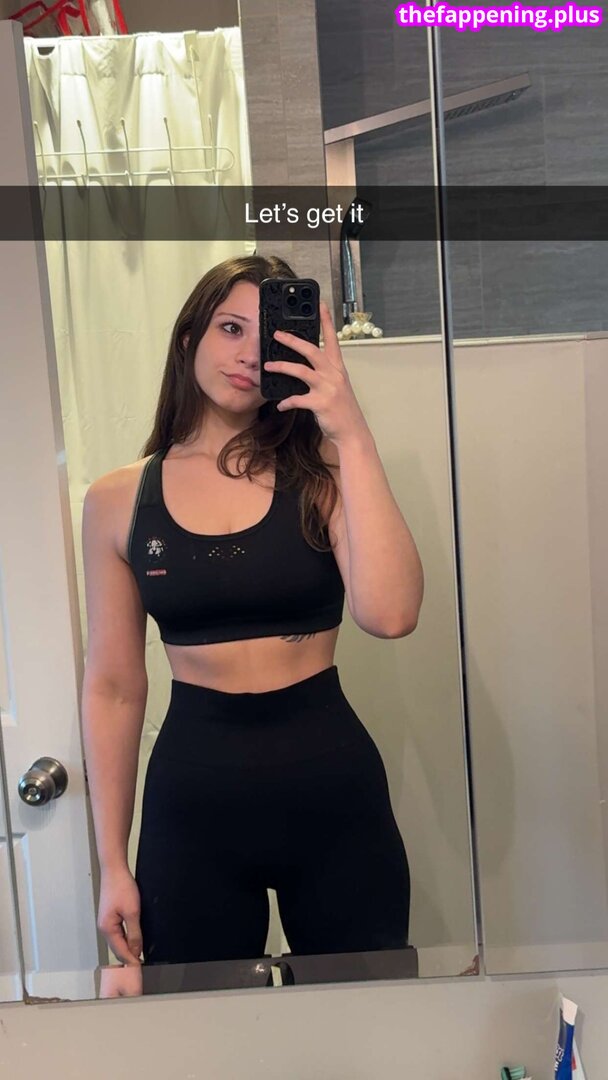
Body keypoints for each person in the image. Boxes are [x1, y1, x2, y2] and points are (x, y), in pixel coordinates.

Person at [81, 254, 424, 969]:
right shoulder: (118, 499)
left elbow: (391, 615)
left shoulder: (325, 474)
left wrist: (350, 432)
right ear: (189, 339)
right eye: (229, 328)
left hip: (332, 791)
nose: (246, 354)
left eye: (265, 336)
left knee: (367, 1012)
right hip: (192, 800)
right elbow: (113, 686)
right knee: (197, 1020)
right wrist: (112, 862)